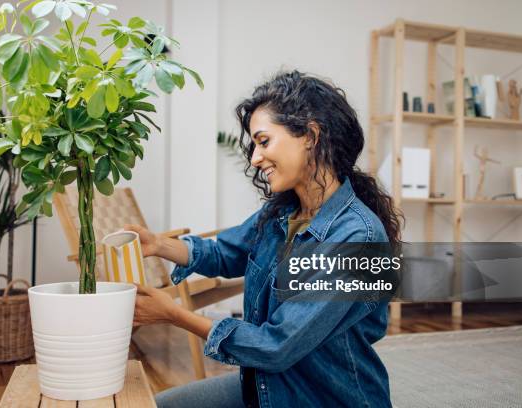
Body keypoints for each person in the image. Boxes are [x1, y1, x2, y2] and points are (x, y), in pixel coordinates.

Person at [125, 70, 403, 407]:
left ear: (311, 136)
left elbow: (275, 346)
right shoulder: (282, 213)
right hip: (269, 389)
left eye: (263, 141)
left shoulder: (358, 238)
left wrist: (174, 314)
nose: (255, 158)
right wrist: (157, 244)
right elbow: (225, 252)